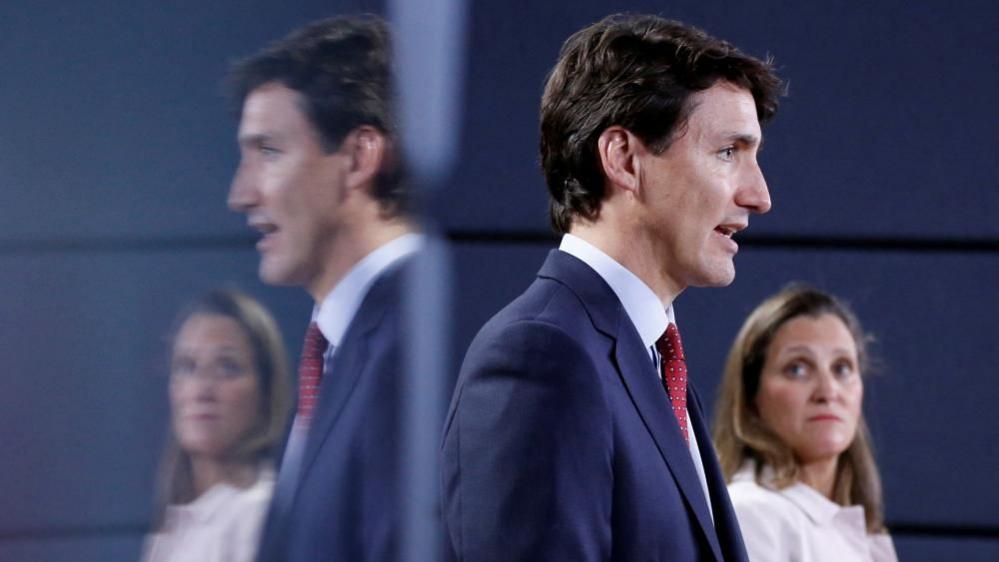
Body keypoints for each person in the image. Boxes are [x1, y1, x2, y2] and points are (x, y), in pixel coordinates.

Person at [441, 13, 783, 562]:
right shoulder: (539, 357)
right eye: (728, 153)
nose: (759, 195)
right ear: (624, 159)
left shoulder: (648, 356)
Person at [225, 14, 421, 562]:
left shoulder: (419, 349)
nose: (239, 195)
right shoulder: (342, 349)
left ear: (359, 157)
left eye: (267, 151)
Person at [713, 286, 898, 561]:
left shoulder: (866, 533)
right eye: (797, 369)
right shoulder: (749, 513)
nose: (828, 391)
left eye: (842, 368)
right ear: (752, 396)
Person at [143, 289, 291, 562]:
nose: (202, 390)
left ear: (266, 392)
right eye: (188, 367)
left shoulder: (258, 515)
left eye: (227, 367)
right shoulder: (178, 521)